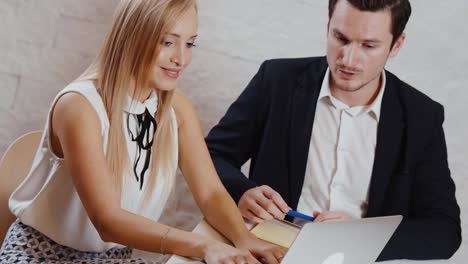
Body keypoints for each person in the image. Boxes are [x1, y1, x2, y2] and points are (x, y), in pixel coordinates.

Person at [0, 0, 286, 263]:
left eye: (190, 44)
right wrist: (201, 245)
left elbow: (210, 192)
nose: (181, 59)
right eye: (168, 42)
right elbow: (106, 220)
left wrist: (244, 239)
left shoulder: (177, 109)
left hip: (113, 257)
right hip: (42, 254)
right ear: (133, 37)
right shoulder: (79, 106)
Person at [206, 0, 461, 261]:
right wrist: (241, 191)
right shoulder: (276, 80)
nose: (348, 59)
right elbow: (211, 155)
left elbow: (444, 229)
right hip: (269, 251)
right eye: (340, 38)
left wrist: (359, 235)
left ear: (397, 44)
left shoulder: (422, 115)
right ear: (328, 26)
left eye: (368, 45)